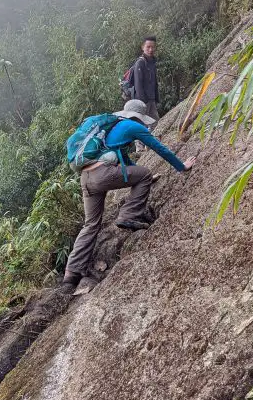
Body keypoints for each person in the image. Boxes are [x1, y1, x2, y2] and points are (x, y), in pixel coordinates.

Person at [62, 99, 196, 288]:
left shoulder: (111, 128)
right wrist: (181, 166)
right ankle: (128, 215)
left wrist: (139, 176)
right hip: (102, 175)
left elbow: (124, 160)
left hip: (86, 178)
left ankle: (71, 274)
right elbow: (159, 148)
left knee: (90, 224)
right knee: (146, 173)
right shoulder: (132, 126)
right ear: (138, 117)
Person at [132, 36, 159, 152]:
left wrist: (155, 97)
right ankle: (139, 149)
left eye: (153, 47)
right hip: (143, 100)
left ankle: (150, 143)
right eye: (148, 47)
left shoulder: (152, 61)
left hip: (151, 98)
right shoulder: (140, 63)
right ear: (143, 47)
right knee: (141, 123)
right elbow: (138, 84)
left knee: (155, 121)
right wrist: (142, 101)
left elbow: (154, 81)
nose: (150, 49)